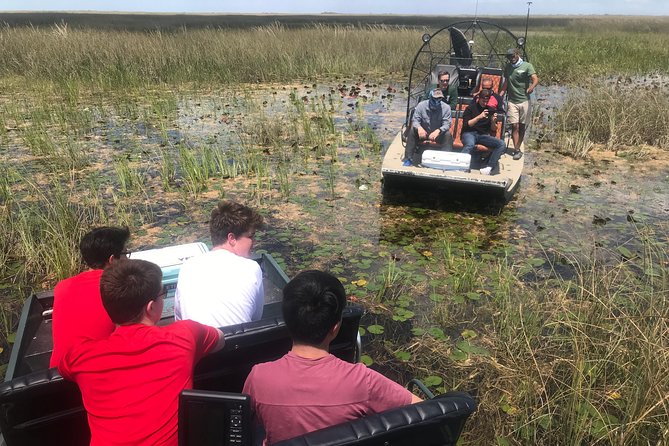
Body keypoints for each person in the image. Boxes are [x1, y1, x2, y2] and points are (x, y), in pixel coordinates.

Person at [58, 259, 225, 446]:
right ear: (151, 307)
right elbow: (220, 339)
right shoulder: (185, 335)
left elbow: (64, 367)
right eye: (164, 293)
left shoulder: (81, 356)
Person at [243, 270, 422, 444]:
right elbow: (425, 411)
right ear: (335, 327)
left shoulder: (258, 377)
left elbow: (245, 426)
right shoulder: (362, 381)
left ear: (287, 321)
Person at [50, 226, 130, 368]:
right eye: (126, 253)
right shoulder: (119, 286)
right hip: (94, 374)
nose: (128, 258)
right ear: (112, 260)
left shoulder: (62, 286)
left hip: (57, 376)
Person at [175, 200, 265, 327]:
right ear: (232, 239)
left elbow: (179, 318)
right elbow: (256, 318)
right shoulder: (251, 268)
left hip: (196, 345)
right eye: (251, 236)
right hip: (240, 344)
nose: (254, 242)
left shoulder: (188, 267)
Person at [500, 48, 539, 160]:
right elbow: (506, 83)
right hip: (512, 101)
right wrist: (499, 96)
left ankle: (518, 146)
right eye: (509, 57)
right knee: (514, 125)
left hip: (524, 100)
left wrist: (531, 87)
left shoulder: (527, 66)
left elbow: (535, 79)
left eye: (512, 56)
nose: (511, 58)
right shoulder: (507, 68)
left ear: (517, 54)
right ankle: (517, 150)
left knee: (522, 126)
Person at [461, 89, 507, 175]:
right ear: (479, 98)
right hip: (469, 133)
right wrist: (479, 117)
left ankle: (489, 167)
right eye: (483, 100)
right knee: (470, 144)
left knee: (501, 144)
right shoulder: (470, 108)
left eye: (487, 101)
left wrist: (493, 121)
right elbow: (467, 125)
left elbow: (493, 129)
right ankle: (460, 165)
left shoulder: (491, 110)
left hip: (482, 135)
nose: (485, 103)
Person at [403, 89, 452, 167]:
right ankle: (408, 159)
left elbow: (447, 124)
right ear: (430, 97)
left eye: (439, 98)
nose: (437, 101)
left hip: (437, 134)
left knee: (448, 135)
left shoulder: (446, 108)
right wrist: (419, 128)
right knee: (412, 131)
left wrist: (439, 130)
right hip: (423, 133)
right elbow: (415, 120)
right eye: (435, 98)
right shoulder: (421, 105)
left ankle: (445, 162)